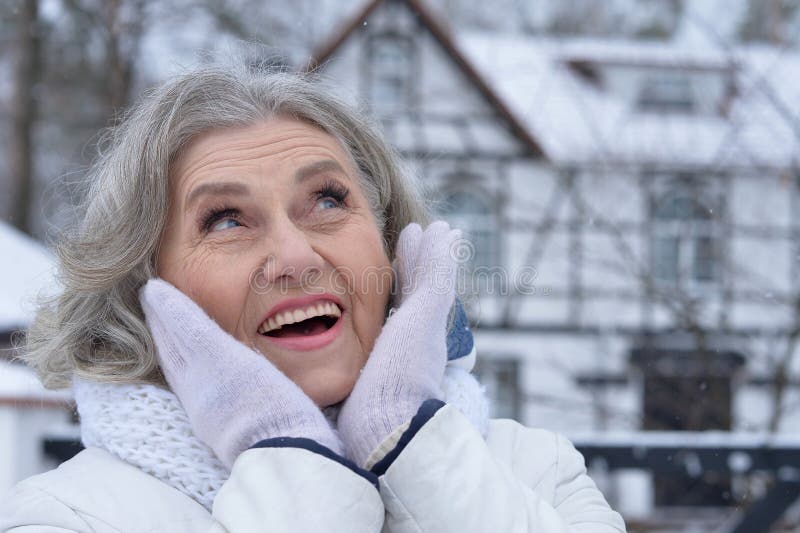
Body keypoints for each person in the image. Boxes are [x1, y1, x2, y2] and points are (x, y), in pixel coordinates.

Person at [0, 59, 626, 532]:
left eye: (328, 200)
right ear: (143, 291)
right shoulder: (68, 519)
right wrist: (285, 454)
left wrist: (410, 443)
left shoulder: (541, 472)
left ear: (390, 246)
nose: (296, 257)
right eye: (225, 219)